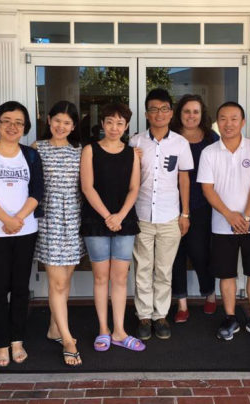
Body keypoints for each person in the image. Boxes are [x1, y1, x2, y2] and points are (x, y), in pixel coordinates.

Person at [197, 101, 250, 343]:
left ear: (242, 121)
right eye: (223, 119)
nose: (228, 124)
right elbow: (207, 189)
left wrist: (246, 217)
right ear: (217, 122)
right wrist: (229, 215)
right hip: (222, 225)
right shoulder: (209, 152)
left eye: (234, 119)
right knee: (226, 275)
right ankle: (230, 318)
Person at [0, 101, 44, 367]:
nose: (12, 126)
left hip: (25, 230)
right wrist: (5, 219)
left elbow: (37, 192)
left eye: (18, 122)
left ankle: (17, 339)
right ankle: (1, 342)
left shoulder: (30, 155)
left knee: (19, 288)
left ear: (25, 126)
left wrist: (17, 220)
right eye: (6, 120)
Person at [129, 88, 194, 340]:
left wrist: (185, 214)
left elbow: (184, 179)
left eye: (164, 109)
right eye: (154, 109)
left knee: (164, 270)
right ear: (146, 114)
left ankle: (160, 315)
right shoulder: (135, 142)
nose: (159, 113)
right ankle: (144, 315)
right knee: (143, 268)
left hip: (170, 216)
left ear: (171, 113)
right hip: (142, 215)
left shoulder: (180, 143)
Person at [80, 103, 145, 352]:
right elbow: (87, 187)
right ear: (102, 124)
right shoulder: (90, 150)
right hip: (97, 220)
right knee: (100, 277)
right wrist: (108, 216)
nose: (114, 127)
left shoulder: (132, 153)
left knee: (119, 277)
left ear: (126, 126)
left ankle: (119, 330)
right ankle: (103, 329)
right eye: (109, 122)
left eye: (120, 123)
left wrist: (120, 216)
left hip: (125, 220)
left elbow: (134, 188)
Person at [35, 100, 85, 366]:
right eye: (57, 121)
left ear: (74, 125)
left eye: (67, 122)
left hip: (74, 218)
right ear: (49, 120)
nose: (61, 126)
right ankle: (67, 339)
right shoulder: (37, 148)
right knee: (56, 282)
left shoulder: (81, 150)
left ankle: (54, 327)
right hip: (49, 218)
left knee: (65, 279)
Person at [169, 94, 219, 322]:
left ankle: (209, 294)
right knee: (175, 256)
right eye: (187, 111)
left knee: (200, 253)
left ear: (202, 114)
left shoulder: (211, 138)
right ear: (179, 113)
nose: (191, 116)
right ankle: (181, 303)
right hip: (171, 205)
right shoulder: (170, 138)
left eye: (195, 111)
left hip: (203, 205)